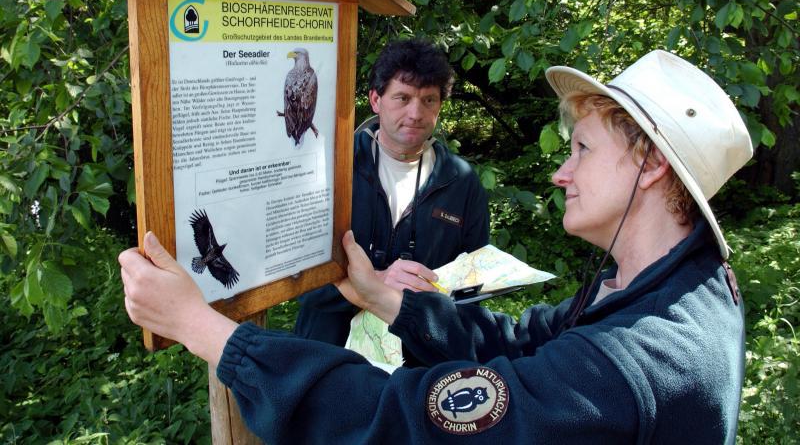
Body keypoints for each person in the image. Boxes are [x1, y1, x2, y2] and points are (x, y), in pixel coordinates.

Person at [120, 50, 753, 443]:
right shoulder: (656, 287)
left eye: (581, 149)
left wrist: (201, 329)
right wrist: (381, 297)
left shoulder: (634, 365)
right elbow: (516, 344)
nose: (561, 172)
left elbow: (405, 421)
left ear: (650, 166)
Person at [293, 38, 489, 347]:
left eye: (428, 100)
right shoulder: (329, 166)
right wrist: (376, 285)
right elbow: (298, 280)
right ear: (375, 99)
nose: (415, 113)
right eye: (402, 97)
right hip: (328, 357)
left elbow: (474, 286)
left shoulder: (461, 183)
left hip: (419, 368)